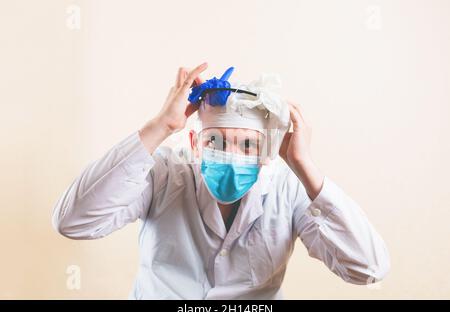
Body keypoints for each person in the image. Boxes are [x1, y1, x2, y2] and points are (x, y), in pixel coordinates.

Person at [52, 63, 390, 299]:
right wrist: (160, 127)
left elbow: (369, 268)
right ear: (197, 144)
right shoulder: (165, 174)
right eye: (215, 141)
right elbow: (73, 222)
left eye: (247, 144)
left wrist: (305, 166)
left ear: (266, 151)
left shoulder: (288, 188)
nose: (230, 155)